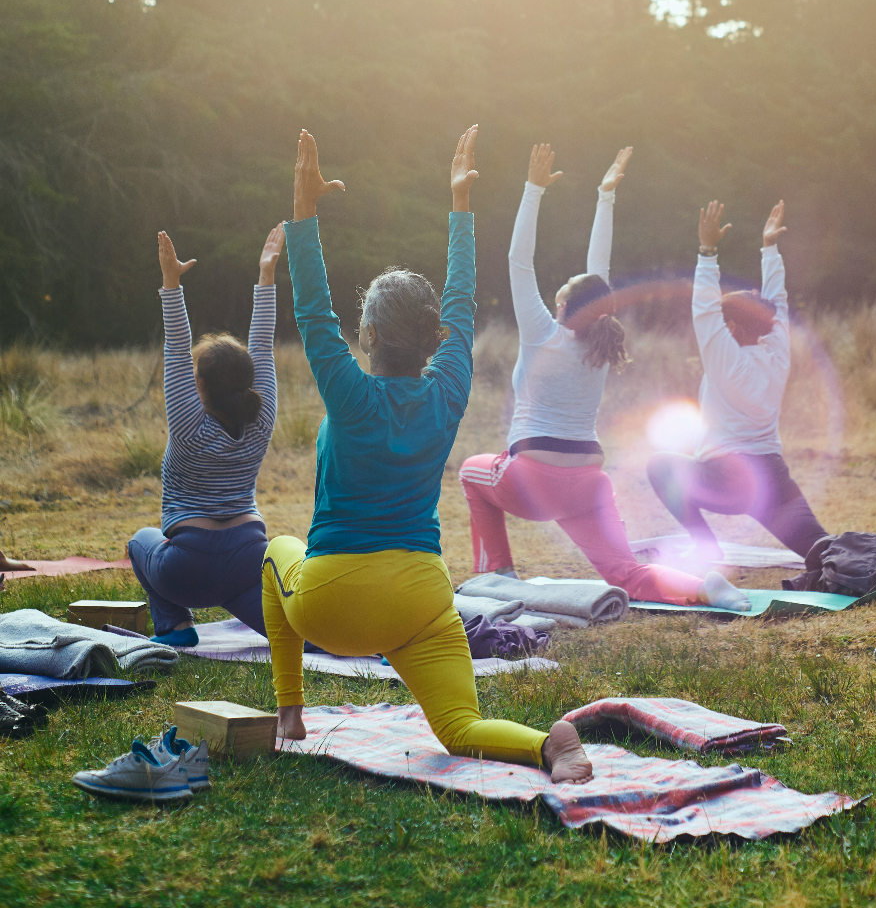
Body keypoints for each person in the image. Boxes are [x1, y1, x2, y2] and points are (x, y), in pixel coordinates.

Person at [264, 127, 591, 782]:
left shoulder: (350, 394)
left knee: (275, 546)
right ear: (433, 336)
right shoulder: (447, 393)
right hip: (420, 598)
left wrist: (304, 212)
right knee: (459, 729)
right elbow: (463, 306)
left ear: (372, 335)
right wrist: (461, 209)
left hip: (334, 605)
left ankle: (289, 712)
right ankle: (547, 744)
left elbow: (311, 309)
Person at [459, 144, 749, 611]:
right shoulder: (599, 344)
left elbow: (519, 260)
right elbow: (601, 274)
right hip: (589, 483)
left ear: (560, 306)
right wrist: (605, 197)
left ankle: (498, 574)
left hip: (531, 480)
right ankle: (706, 587)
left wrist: (533, 189)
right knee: (626, 572)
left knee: (471, 472)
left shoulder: (543, 334)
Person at [127, 223, 285, 645]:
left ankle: (175, 627)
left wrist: (171, 283)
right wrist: (266, 276)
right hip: (250, 559)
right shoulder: (262, 416)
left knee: (139, 542)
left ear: (198, 386)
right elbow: (263, 344)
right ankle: (364, 640)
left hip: (188, 569)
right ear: (249, 381)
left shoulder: (187, 425)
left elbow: (177, 348)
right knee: (297, 633)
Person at [647, 199, 826, 567]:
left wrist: (707, 251)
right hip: (772, 481)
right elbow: (777, 302)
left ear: (731, 328)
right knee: (825, 551)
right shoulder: (777, 353)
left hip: (725, 481)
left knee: (660, 466)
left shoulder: (724, 360)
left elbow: (704, 310)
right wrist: (770, 249)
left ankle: (705, 547)